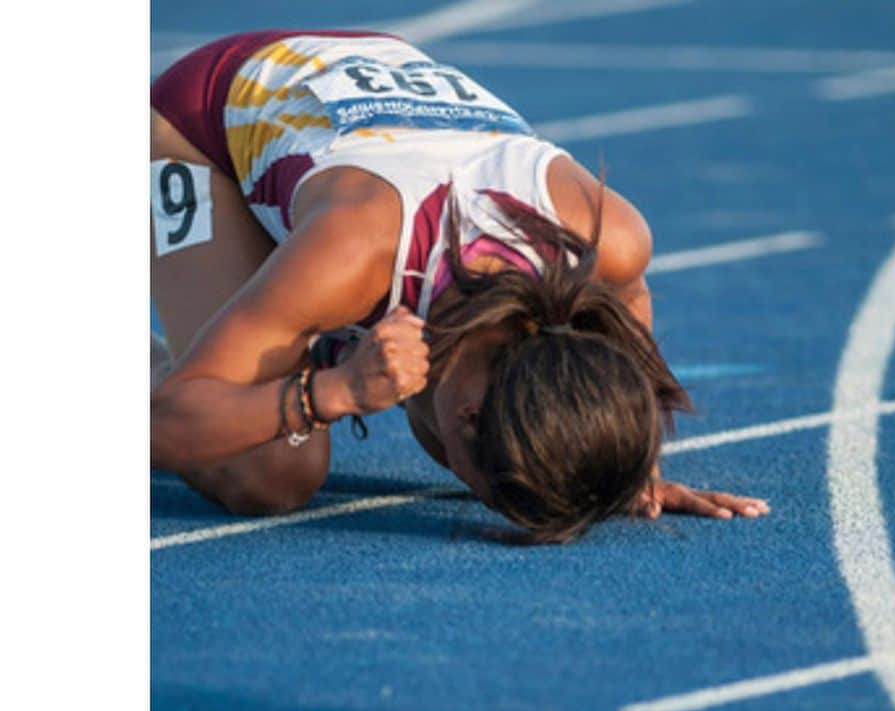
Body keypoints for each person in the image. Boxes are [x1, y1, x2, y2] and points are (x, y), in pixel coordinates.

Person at [150, 29, 769, 542]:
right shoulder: (358, 251)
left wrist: (621, 456)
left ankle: (291, 329)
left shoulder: (616, 244)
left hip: (367, 100)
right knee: (272, 476)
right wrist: (332, 392)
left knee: (452, 431)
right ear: (471, 412)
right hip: (199, 124)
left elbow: (628, 312)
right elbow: (164, 423)